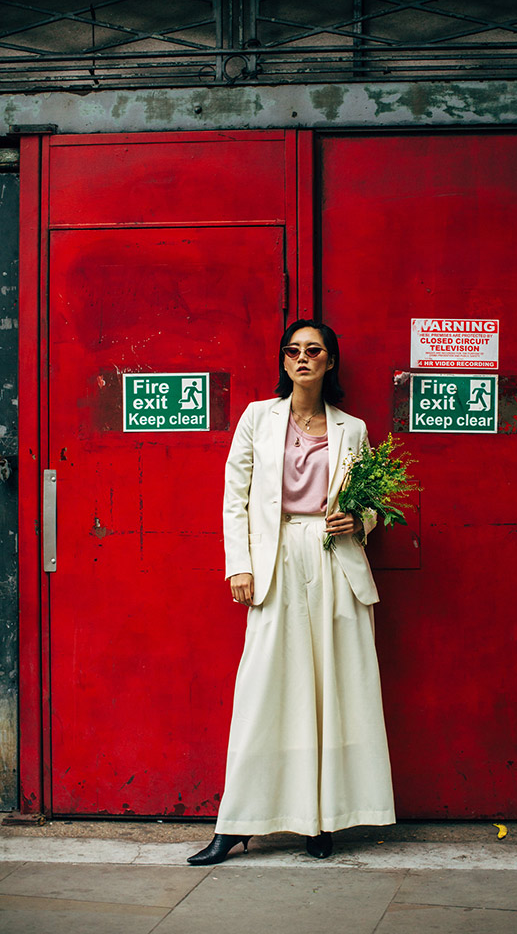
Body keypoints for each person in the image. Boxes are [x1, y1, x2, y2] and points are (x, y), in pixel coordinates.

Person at [187, 319, 395, 865]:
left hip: (333, 561)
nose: (303, 358)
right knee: (265, 689)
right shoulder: (258, 417)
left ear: (330, 362)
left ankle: (319, 821)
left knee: (332, 688)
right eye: (294, 351)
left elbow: (371, 502)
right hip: (275, 558)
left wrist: (361, 520)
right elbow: (235, 495)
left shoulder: (353, 428)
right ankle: (235, 824)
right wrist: (240, 566)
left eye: (315, 351)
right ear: (284, 361)